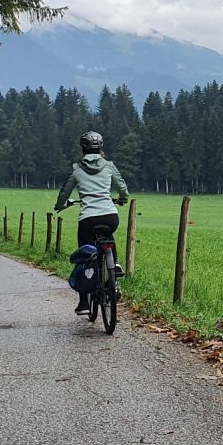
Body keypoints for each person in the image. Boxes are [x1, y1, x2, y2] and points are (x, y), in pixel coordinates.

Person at [55, 131, 129, 313]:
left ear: (83, 148)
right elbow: (123, 188)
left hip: (88, 219)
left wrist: (60, 205)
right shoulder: (109, 166)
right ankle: (115, 267)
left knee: (84, 255)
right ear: (100, 147)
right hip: (111, 216)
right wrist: (122, 199)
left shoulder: (77, 170)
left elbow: (65, 192)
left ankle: (84, 303)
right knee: (108, 236)